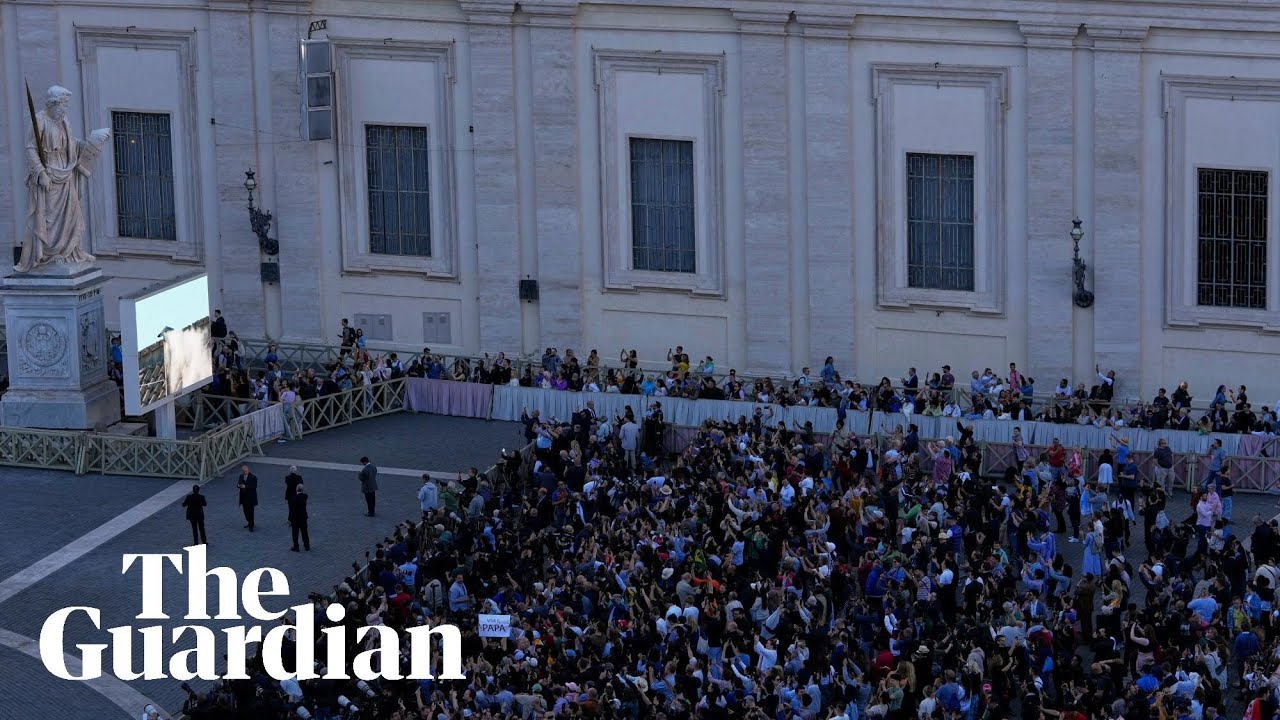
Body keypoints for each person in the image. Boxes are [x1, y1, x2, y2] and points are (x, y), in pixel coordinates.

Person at [289, 483, 311, 551]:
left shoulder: (293, 498)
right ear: (302, 490)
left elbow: (291, 510)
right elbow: (305, 495)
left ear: (296, 490)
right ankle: (307, 546)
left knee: (295, 533)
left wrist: (289, 519)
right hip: (303, 517)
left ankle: (296, 547)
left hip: (295, 519)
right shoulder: (305, 496)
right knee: (305, 532)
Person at [237, 465, 258, 531]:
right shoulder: (241, 476)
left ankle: (251, 526)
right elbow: (238, 483)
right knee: (245, 512)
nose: (245, 472)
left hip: (250, 498)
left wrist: (245, 486)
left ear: (248, 470)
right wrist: (238, 485)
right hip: (243, 498)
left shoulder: (253, 477)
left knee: (251, 512)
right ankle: (249, 522)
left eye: (246, 471)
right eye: (244, 471)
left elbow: (254, 486)